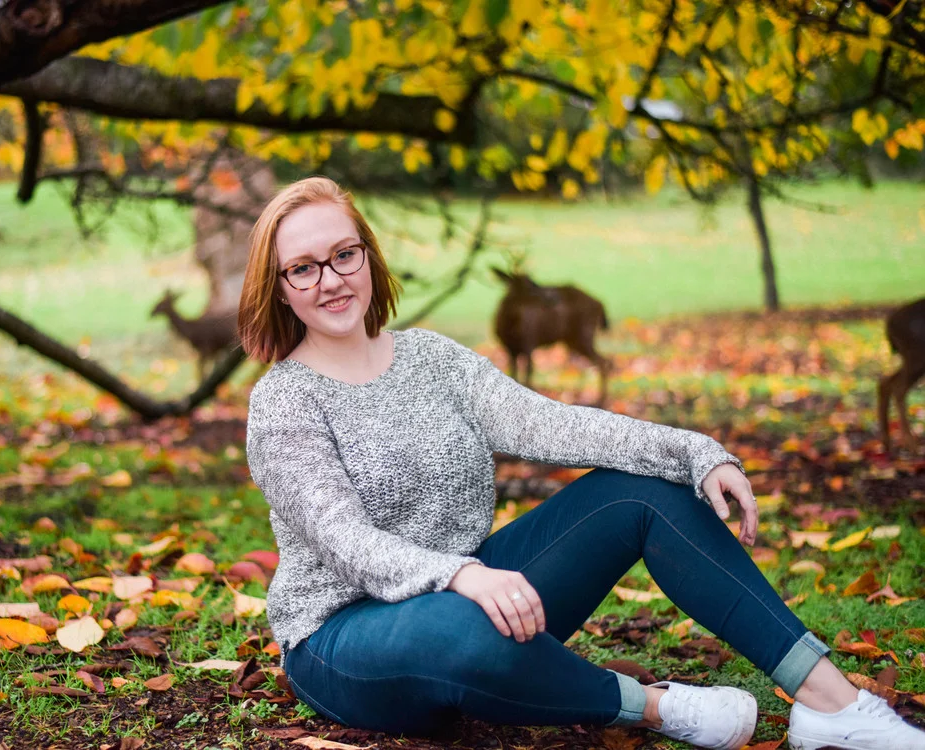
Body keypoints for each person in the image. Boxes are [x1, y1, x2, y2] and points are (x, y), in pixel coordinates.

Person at [238, 177, 925, 750]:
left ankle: (830, 704)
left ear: (368, 256)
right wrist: (463, 575)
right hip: (344, 638)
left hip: (473, 595)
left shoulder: (431, 359)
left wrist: (692, 452)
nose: (331, 280)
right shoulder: (284, 402)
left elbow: (552, 423)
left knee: (643, 493)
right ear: (280, 287)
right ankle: (652, 706)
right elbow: (347, 543)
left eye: (344, 255)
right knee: (460, 626)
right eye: (304, 267)